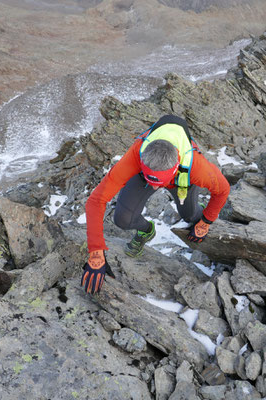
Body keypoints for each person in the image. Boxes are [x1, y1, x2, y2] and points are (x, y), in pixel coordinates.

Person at [81, 115, 230, 294]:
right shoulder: (136, 156)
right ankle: (146, 230)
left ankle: (192, 208)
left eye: (157, 183)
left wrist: (207, 220)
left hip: (181, 180)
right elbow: (96, 201)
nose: (153, 187)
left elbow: (222, 190)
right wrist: (96, 251)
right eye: (150, 180)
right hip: (146, 172)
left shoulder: (197, 168)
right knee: (123, 219)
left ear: (174, 168)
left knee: (190, 216)